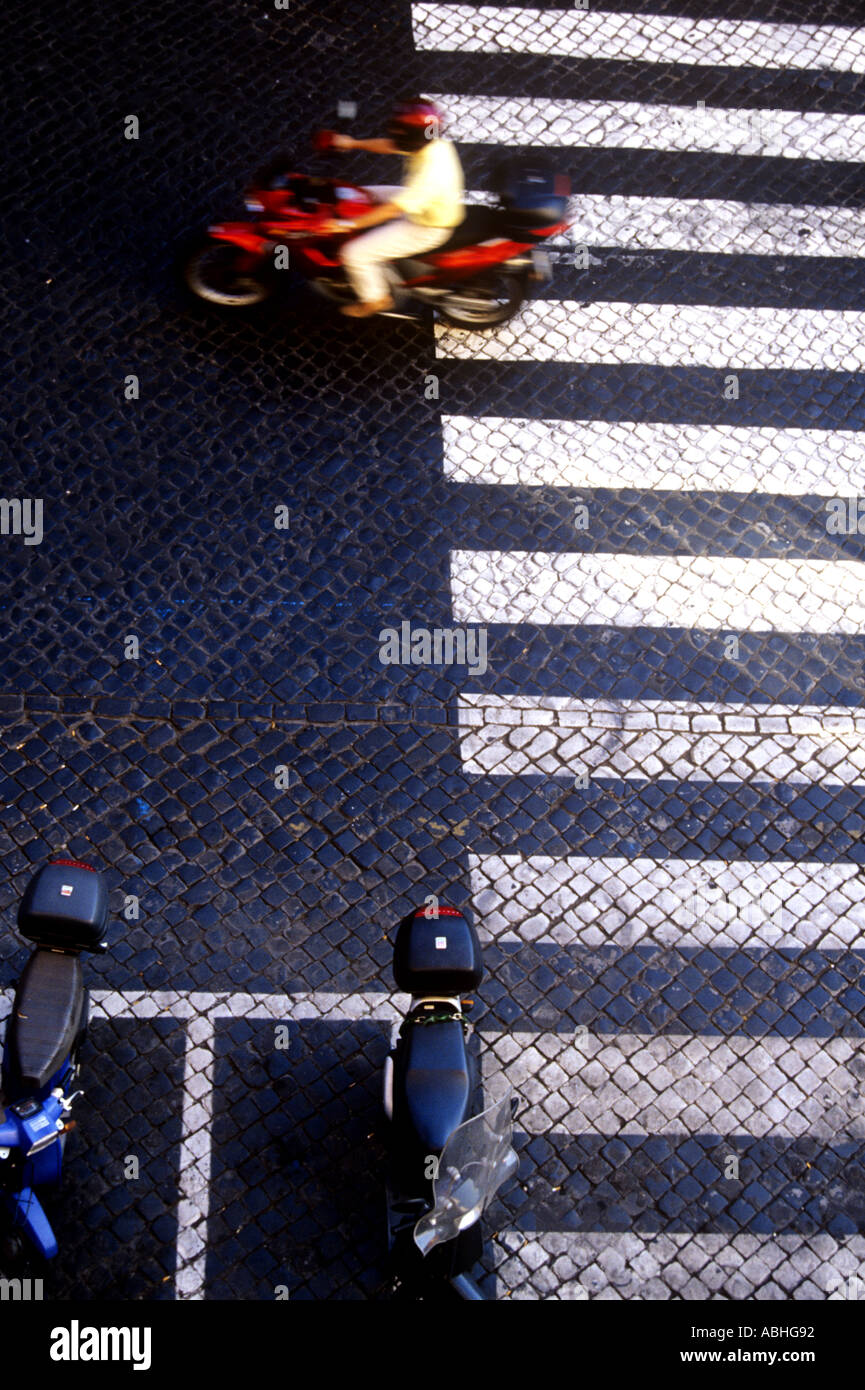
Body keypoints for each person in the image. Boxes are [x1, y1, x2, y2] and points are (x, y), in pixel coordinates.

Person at [320, 98, 465, 317]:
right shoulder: (432, 142)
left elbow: (392, 209)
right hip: (426, 205)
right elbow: (392, 145)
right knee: (356, 195)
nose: (394, 135)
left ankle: (375, 299)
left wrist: (346, 224)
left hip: (427, 225)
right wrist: (352, 143)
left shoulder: (431, 176)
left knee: (354, 254)